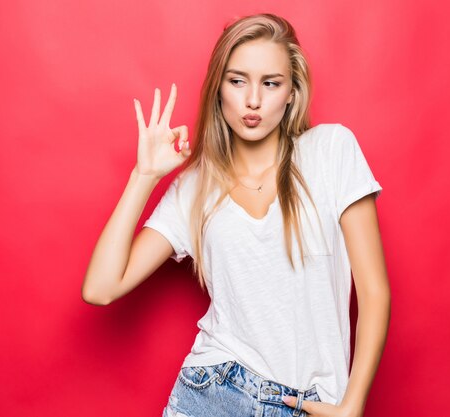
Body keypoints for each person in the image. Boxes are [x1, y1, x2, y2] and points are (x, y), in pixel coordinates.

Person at [82, 13, 390, 417]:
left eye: (271, 83)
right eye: (238, 80)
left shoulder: (331, 150)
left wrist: (353, 404)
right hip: (213, 393)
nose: (254, 101)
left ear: (292, 92)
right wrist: (144, 176)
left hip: (310, 402)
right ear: (219, 89)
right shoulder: (194, 189)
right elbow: (100, 288)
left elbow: (374, 291)